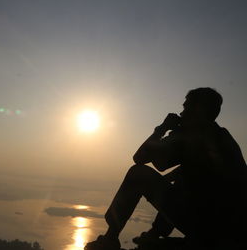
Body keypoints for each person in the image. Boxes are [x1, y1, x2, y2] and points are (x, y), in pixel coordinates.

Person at [84, 88, 247, 250]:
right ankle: (155, 234)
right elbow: (195, 176)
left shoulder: (192, 134)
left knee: (138, 174)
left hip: (208, 227)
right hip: (230, 229)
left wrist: (162, 128)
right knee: (182, 180)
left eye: (186, 108)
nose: (181, 113)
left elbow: (140, 158)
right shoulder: (222, 137)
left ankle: (110, 238)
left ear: (199, 110)